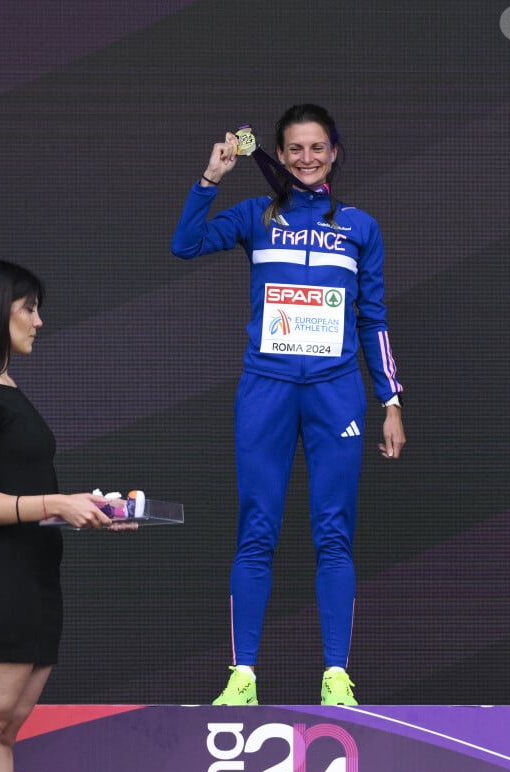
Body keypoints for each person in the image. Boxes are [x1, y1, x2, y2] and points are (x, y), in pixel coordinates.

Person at [171, 104, 405, 706]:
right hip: (265, 390)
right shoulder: (256, 215)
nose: (307, 159)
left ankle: (335, 676)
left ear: (334, 153)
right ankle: (242, 676)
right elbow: (186, 244)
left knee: (334, 533)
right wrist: (212, 175)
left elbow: (373, 318)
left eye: (317, 148)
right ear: (278, 153)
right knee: (257, 530)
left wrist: (391, 399)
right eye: (295, 149)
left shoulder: (359, 226)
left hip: (336, 393)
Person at [0, 257, 129, 772]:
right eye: (27, 309)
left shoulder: (6, 393)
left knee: (4, 731)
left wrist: (84, 509)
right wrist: (52, 503)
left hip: (33, 579)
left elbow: (22, 493)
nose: (39, 320)